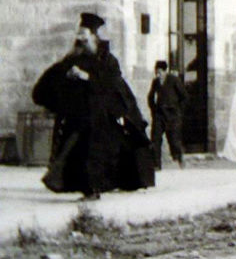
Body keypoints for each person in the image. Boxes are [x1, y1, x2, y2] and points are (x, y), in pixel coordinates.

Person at [32, 12, 155, 200]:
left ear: (94, 36)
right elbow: (52, 81)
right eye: (78, 34)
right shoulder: (73, 58)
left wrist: (86, 77)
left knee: (110, 152)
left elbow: (112, 84)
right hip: (81, 116)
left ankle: (99, 188)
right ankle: (90, 189)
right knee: (81, 153)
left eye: (84, 34)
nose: (80, 38)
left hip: (105, 115)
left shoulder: (108, 60)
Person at [147, 60, 187, 170]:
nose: (158, 74)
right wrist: (154, 110)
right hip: (160, 115)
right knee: (155, 139)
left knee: (174, 140)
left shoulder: (174, 80)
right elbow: (150, 97)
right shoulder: (155, 82)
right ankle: (156, 164)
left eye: (160, 72)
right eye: (156, 72)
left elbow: (184, 96)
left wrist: (179, 111)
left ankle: (179, 157)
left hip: (173, 115)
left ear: (165, 71)